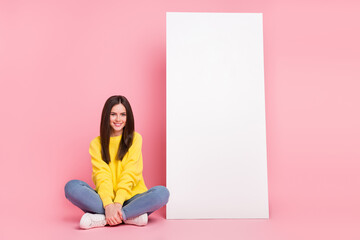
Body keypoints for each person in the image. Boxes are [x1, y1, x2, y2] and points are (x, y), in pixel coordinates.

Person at [64, 95, 170, 229]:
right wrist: (109, 205)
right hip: (105, 199)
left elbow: (130, 173)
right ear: (106, 116)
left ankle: (105, 218)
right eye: (113, 114)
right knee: (72, 187)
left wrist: (118, 203)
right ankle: (129, 217)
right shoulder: (96, 144)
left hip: (132, 199)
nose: (118, 119)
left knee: (162, 193)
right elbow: (102, 176)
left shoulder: (135, 139)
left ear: (128, 117)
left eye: (123, 114)